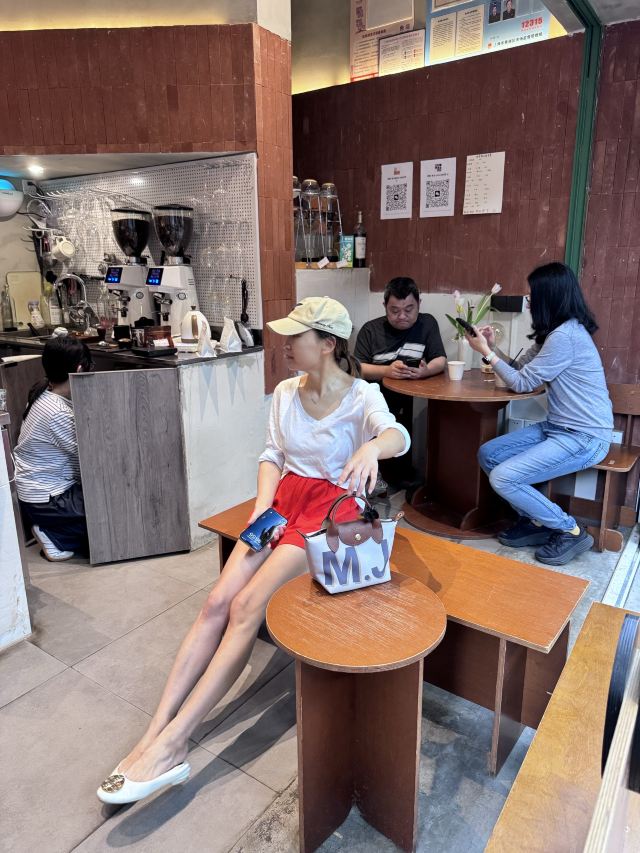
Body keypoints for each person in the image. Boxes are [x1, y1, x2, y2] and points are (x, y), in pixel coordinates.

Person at [97, 296, 410, 805]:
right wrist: (263, 508)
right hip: (284, 504)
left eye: (296, 336)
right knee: (216, 602)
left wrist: (373, 447)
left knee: (245, 607)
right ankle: (156, 728)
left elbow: (398, 435)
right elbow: (272, 455)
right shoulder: (286, 392)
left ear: (327, 344)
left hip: (330, 515)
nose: (284, 344)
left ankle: (174, 746)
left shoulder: (361, 395)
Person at [466, 262, 613, 567]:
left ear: (550, 297)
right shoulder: (552, 335)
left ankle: (570, 530)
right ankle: (535, 521)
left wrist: (487, 354)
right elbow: (520, 371)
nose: (529, 301)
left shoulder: (566, 337)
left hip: (585, 437)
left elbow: (521, 384)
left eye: (532, 296)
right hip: (557, 428)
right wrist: (492, 348)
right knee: (489, 454)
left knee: (504, 478)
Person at [354, 276, 446, 491]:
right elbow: (356, 368)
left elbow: (440, 360)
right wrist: (386, 371)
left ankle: (400, 474)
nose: (402, 316)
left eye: (409, 309)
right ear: (384, 306)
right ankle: (379, 475)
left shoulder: (427, 323)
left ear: (419, 304)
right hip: (375, 394)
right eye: (394, 311)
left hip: (411, 392)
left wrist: (425, 371)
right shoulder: (371, 330)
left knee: (409, 417)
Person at [14, 337, 93, 562]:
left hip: (38, 493)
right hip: (49, 500)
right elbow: (84, 461)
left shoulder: (43, 391)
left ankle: (58, 528)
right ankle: (56, 535)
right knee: (109, 507)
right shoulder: (58, 412)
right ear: (80, 369)